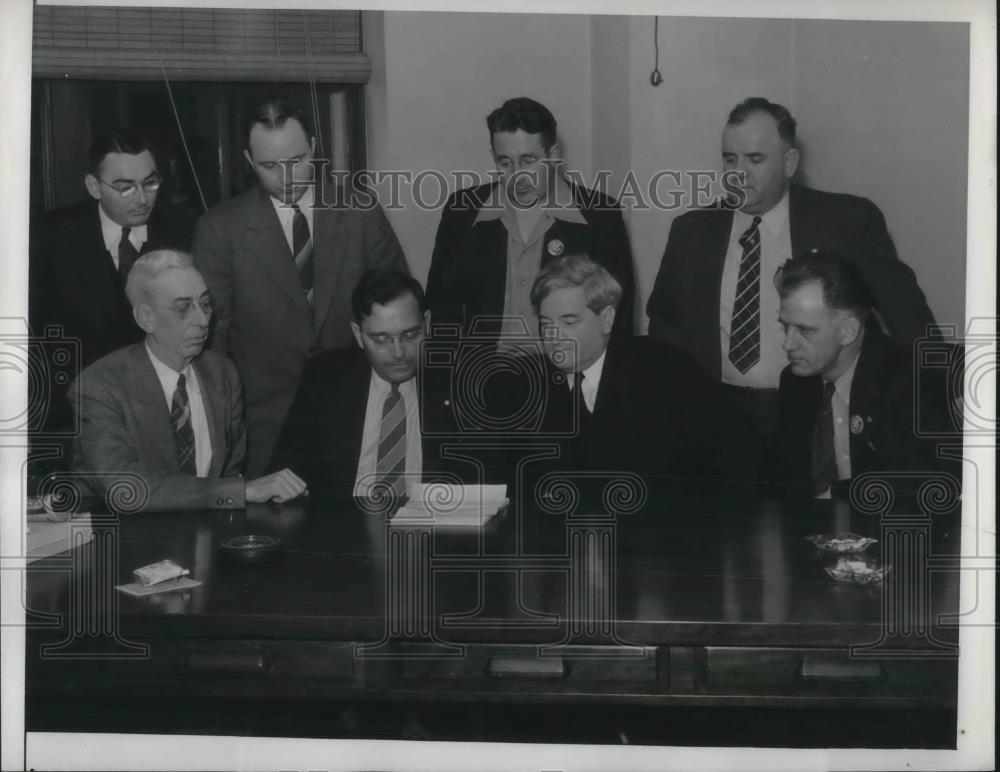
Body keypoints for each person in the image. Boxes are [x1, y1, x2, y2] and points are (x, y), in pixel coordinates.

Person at [645, 97, 935, 474]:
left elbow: (908, 319)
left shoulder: (846, 222)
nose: (738, 174)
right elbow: (666, 326)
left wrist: (922, 407)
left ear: (790, 163)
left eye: (755, 159)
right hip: (717, 417)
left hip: (809, 413)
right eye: (729, 160)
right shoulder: (692, 231)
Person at [192, 98, 408, 476]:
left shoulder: (360, 211)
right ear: (247, 159)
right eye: (270, 166)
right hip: (263, 425)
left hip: (355, 416)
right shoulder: (219, 229)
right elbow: (214, 340)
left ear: (314, 147)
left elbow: (398, 308)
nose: (286, 177)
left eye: (296, 161)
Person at [68, 250, 307, 512]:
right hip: (125, 541)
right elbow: (125, 489)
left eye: (205, 304)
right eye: (183, 308)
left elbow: (228, 473)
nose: (203, 321)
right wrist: (241, 490)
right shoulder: (99, 386)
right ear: (145, 317)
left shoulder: (222, 374)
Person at [517, 254, 759, 508]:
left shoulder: (667, 372)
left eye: (569, 321)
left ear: (606, 319)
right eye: (546, 324)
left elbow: (737, 454)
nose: (553, 336)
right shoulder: (522, 382)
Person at [426, 97, 635, 346]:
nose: (517, 176)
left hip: (566, 376)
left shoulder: (600, 216)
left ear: (553, 155)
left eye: (528, 161)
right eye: (505, 162)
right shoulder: (463, 212)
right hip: (481, 376)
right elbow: (441, 314)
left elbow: (617, 320)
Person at [30, 128, 194, 437]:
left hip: (165, 418)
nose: (143, 199)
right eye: (125, 187)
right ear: (94, 186)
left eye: (150, 182)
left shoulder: (186, 231)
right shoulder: (49, 237)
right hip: (74, 417)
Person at [271, 270, 481, 503]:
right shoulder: (325, 378)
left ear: (427, 323)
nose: (399, 352)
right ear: (358, 335)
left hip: (431, 527)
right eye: (381, 339)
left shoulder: (460, 381)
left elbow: (485, 484)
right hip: (343, 528)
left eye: (410, 335)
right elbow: (283, 473)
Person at [775, 252, 953, 498]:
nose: (787, 344)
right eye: (786, 326)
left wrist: (836, 495)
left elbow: (932, 480)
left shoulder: (910, 378)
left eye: (804, 330)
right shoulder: (795, 382)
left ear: (848, 331)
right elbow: (790, 481)